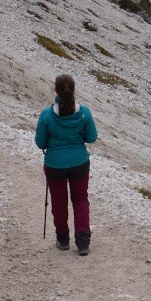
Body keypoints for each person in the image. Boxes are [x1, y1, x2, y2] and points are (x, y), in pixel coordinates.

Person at [34, 74, 98, 255]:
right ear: (74, 90)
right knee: (80, 200)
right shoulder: (84, 112)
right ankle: (83, 243)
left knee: (59, 201)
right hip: (79, 162)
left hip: (54, 165)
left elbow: (40, 143)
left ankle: (63, 239)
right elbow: (92, 137)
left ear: (55, 90)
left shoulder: (47, 115)